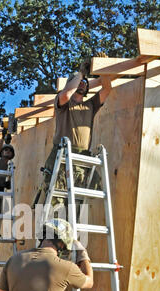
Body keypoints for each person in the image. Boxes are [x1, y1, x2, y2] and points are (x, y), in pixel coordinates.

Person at [42, 59, 112, 204]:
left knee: (77, 204)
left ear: (87, 89)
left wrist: (103, 67)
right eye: (78, 82)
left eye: (84, 83)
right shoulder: (62, 104)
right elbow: (66, 94)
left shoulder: (90, 105)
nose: (81, 84)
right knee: (58, 202)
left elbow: (106, 89)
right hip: (62, 157)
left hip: (81, 161)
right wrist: (80, 74)